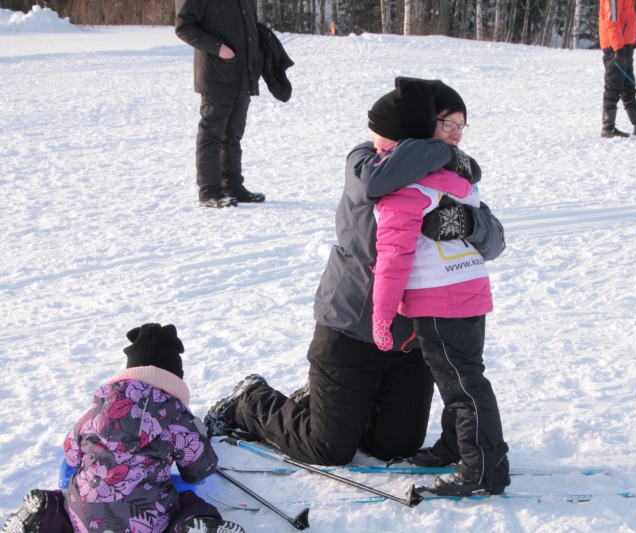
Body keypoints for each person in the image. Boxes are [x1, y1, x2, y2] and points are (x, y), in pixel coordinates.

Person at [203, 78, 506, 469]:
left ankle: (328, 403)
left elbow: (495, 242)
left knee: (394, 446)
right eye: (447, 125)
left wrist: (467, 222)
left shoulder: (452, 176)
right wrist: (439, 155)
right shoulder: (367, 162)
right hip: (351, 329)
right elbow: (373, 185)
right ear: (421, 127)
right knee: (328, 449)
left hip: (411, 340)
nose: (456, 137)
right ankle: (250, 400)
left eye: (461, 127)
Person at [370, 92, 510, 496]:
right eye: (447, 125)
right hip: (468, 291)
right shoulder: (456, 178)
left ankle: (483, 467)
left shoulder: (406, 188)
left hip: (439, 297)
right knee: (460, 377)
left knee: (463, 385)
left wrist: (382, 314)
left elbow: (393, 256)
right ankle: (456, 445)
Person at [2, 324, 244, 533]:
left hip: (85, 517)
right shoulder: (176, 418)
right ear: (174, 380)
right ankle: (192, 524)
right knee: (189, 502)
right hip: (149, 522)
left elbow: (71, 452)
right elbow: (200, 469)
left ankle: (43, 514)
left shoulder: (96, 410)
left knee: (62, 504)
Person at [176, 0, 265, 208]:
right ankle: (209, 192)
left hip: (243, 72)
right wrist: (218, 48)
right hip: (216, 73)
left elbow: (249, 23)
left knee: (233, 134)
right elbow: (183, 26)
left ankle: (232, 186)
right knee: (212, 133)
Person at [599, 0, 636, 138]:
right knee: (613, 86)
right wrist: (618, 48)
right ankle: (608, 128)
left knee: (628, 85)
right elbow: (611, 21)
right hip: (615, 46)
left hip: (625, 45)